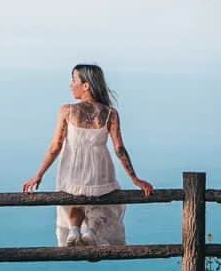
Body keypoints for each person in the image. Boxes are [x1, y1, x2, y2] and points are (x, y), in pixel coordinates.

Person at [21, 63, 154, 246]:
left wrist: (38, 175)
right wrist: (135, 179)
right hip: (100, 170)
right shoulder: (110, 114)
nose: (70, 84)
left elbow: (55, 147)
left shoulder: (67, 111)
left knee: (75, 200)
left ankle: (74, 231)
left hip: (72, 169)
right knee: (101, 202)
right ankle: (90, 231)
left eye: (74, 80)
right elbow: (119, 148)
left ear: (86, 85)